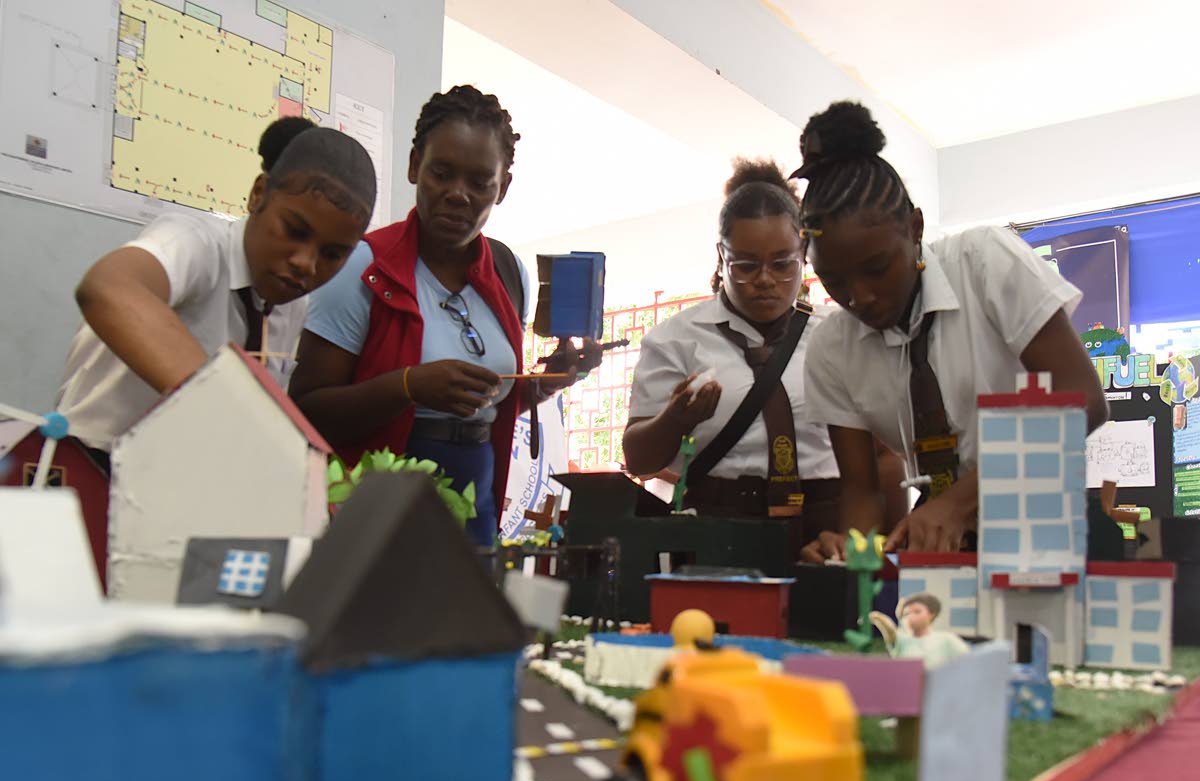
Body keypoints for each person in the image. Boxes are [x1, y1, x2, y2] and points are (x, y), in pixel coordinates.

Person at [794, 102, 1107, 561]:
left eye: (877, 269)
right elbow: (862, 490)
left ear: (915, 227)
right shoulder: (830, 348)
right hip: (940, 546)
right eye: (835, 282)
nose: (859, 297)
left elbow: (1084, 399)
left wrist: (958, 504)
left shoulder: (984, 262)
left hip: (1047, 529)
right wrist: (849, 551)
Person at [289, 85, 599, 547]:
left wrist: (541, 385)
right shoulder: (362, 267)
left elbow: (489, 403)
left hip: (477, 489)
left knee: (467, 615)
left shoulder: (507, 272)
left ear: (503, 188)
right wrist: (409, 386)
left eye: (480, 182)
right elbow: (306, 411)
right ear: (415, 166)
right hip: (378, 501)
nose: (459, 194)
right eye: (442, 173)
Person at [57, 125, 375, 463]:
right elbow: (109, 287)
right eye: (294, 231)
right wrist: (229, 405)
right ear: (258, 194)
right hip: (88, 467)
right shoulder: (194, 242)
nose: (305, 263)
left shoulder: (292, 302)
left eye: (333, 254)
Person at [622, 159, 844, 553]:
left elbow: (881, 456)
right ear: (721, 256)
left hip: (826, 528)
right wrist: (675, 419)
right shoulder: (675, 340)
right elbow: (638, 460)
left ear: (804, 252)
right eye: (745, 264)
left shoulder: (838, 333)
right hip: (718, 529)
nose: (764, 279)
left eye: (782, 264)